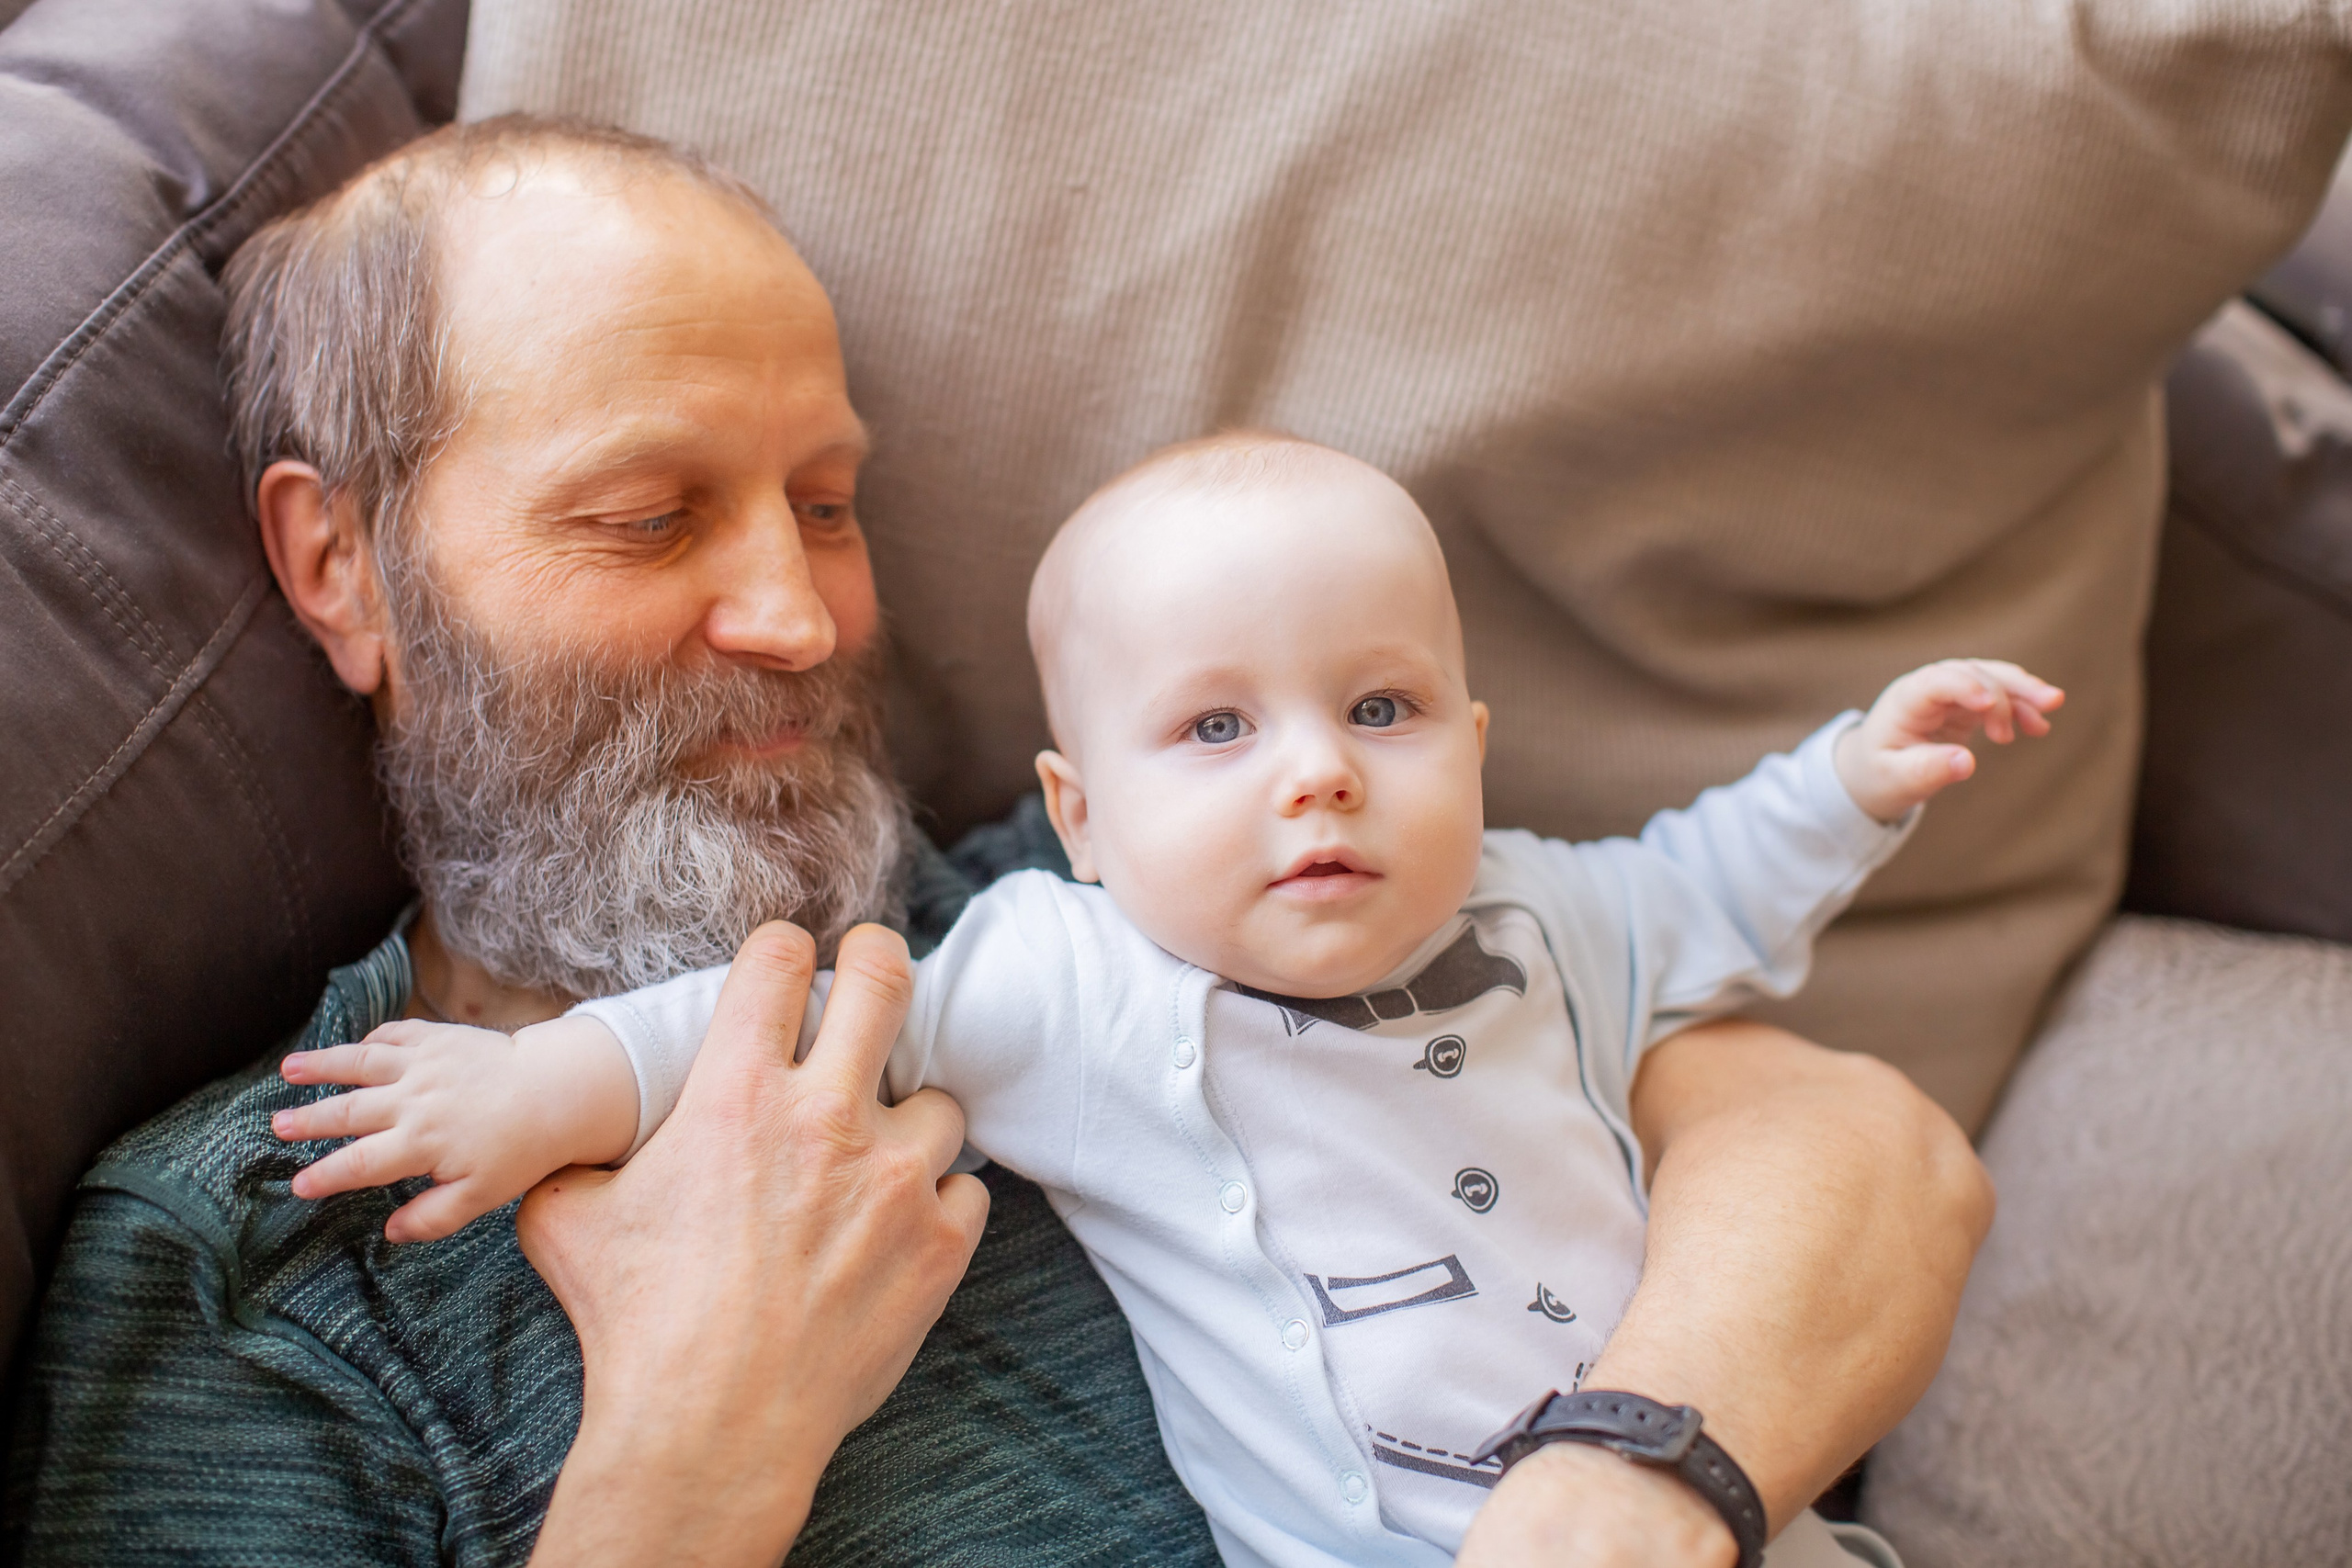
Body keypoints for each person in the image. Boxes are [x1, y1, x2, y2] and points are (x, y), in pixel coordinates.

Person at [5, 117, 1992, 1568]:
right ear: (339, 568)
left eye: (829, 503)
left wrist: (1618, 1488)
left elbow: (1852, 1147)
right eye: (646, 514)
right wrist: (693, 1452)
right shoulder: (258, 1262)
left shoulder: (1099, 915)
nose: (797, 615)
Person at [277, 433, 2050, 1567]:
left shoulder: (1545, 912)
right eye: (1217, 728)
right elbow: (774, 1034)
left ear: (1474, 751)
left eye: (1382, 711)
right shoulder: (1064, 977)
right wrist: (532, 1092)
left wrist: (1858, 776)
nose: (1318, 779)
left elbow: (1714, 882)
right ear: (1082, 818)